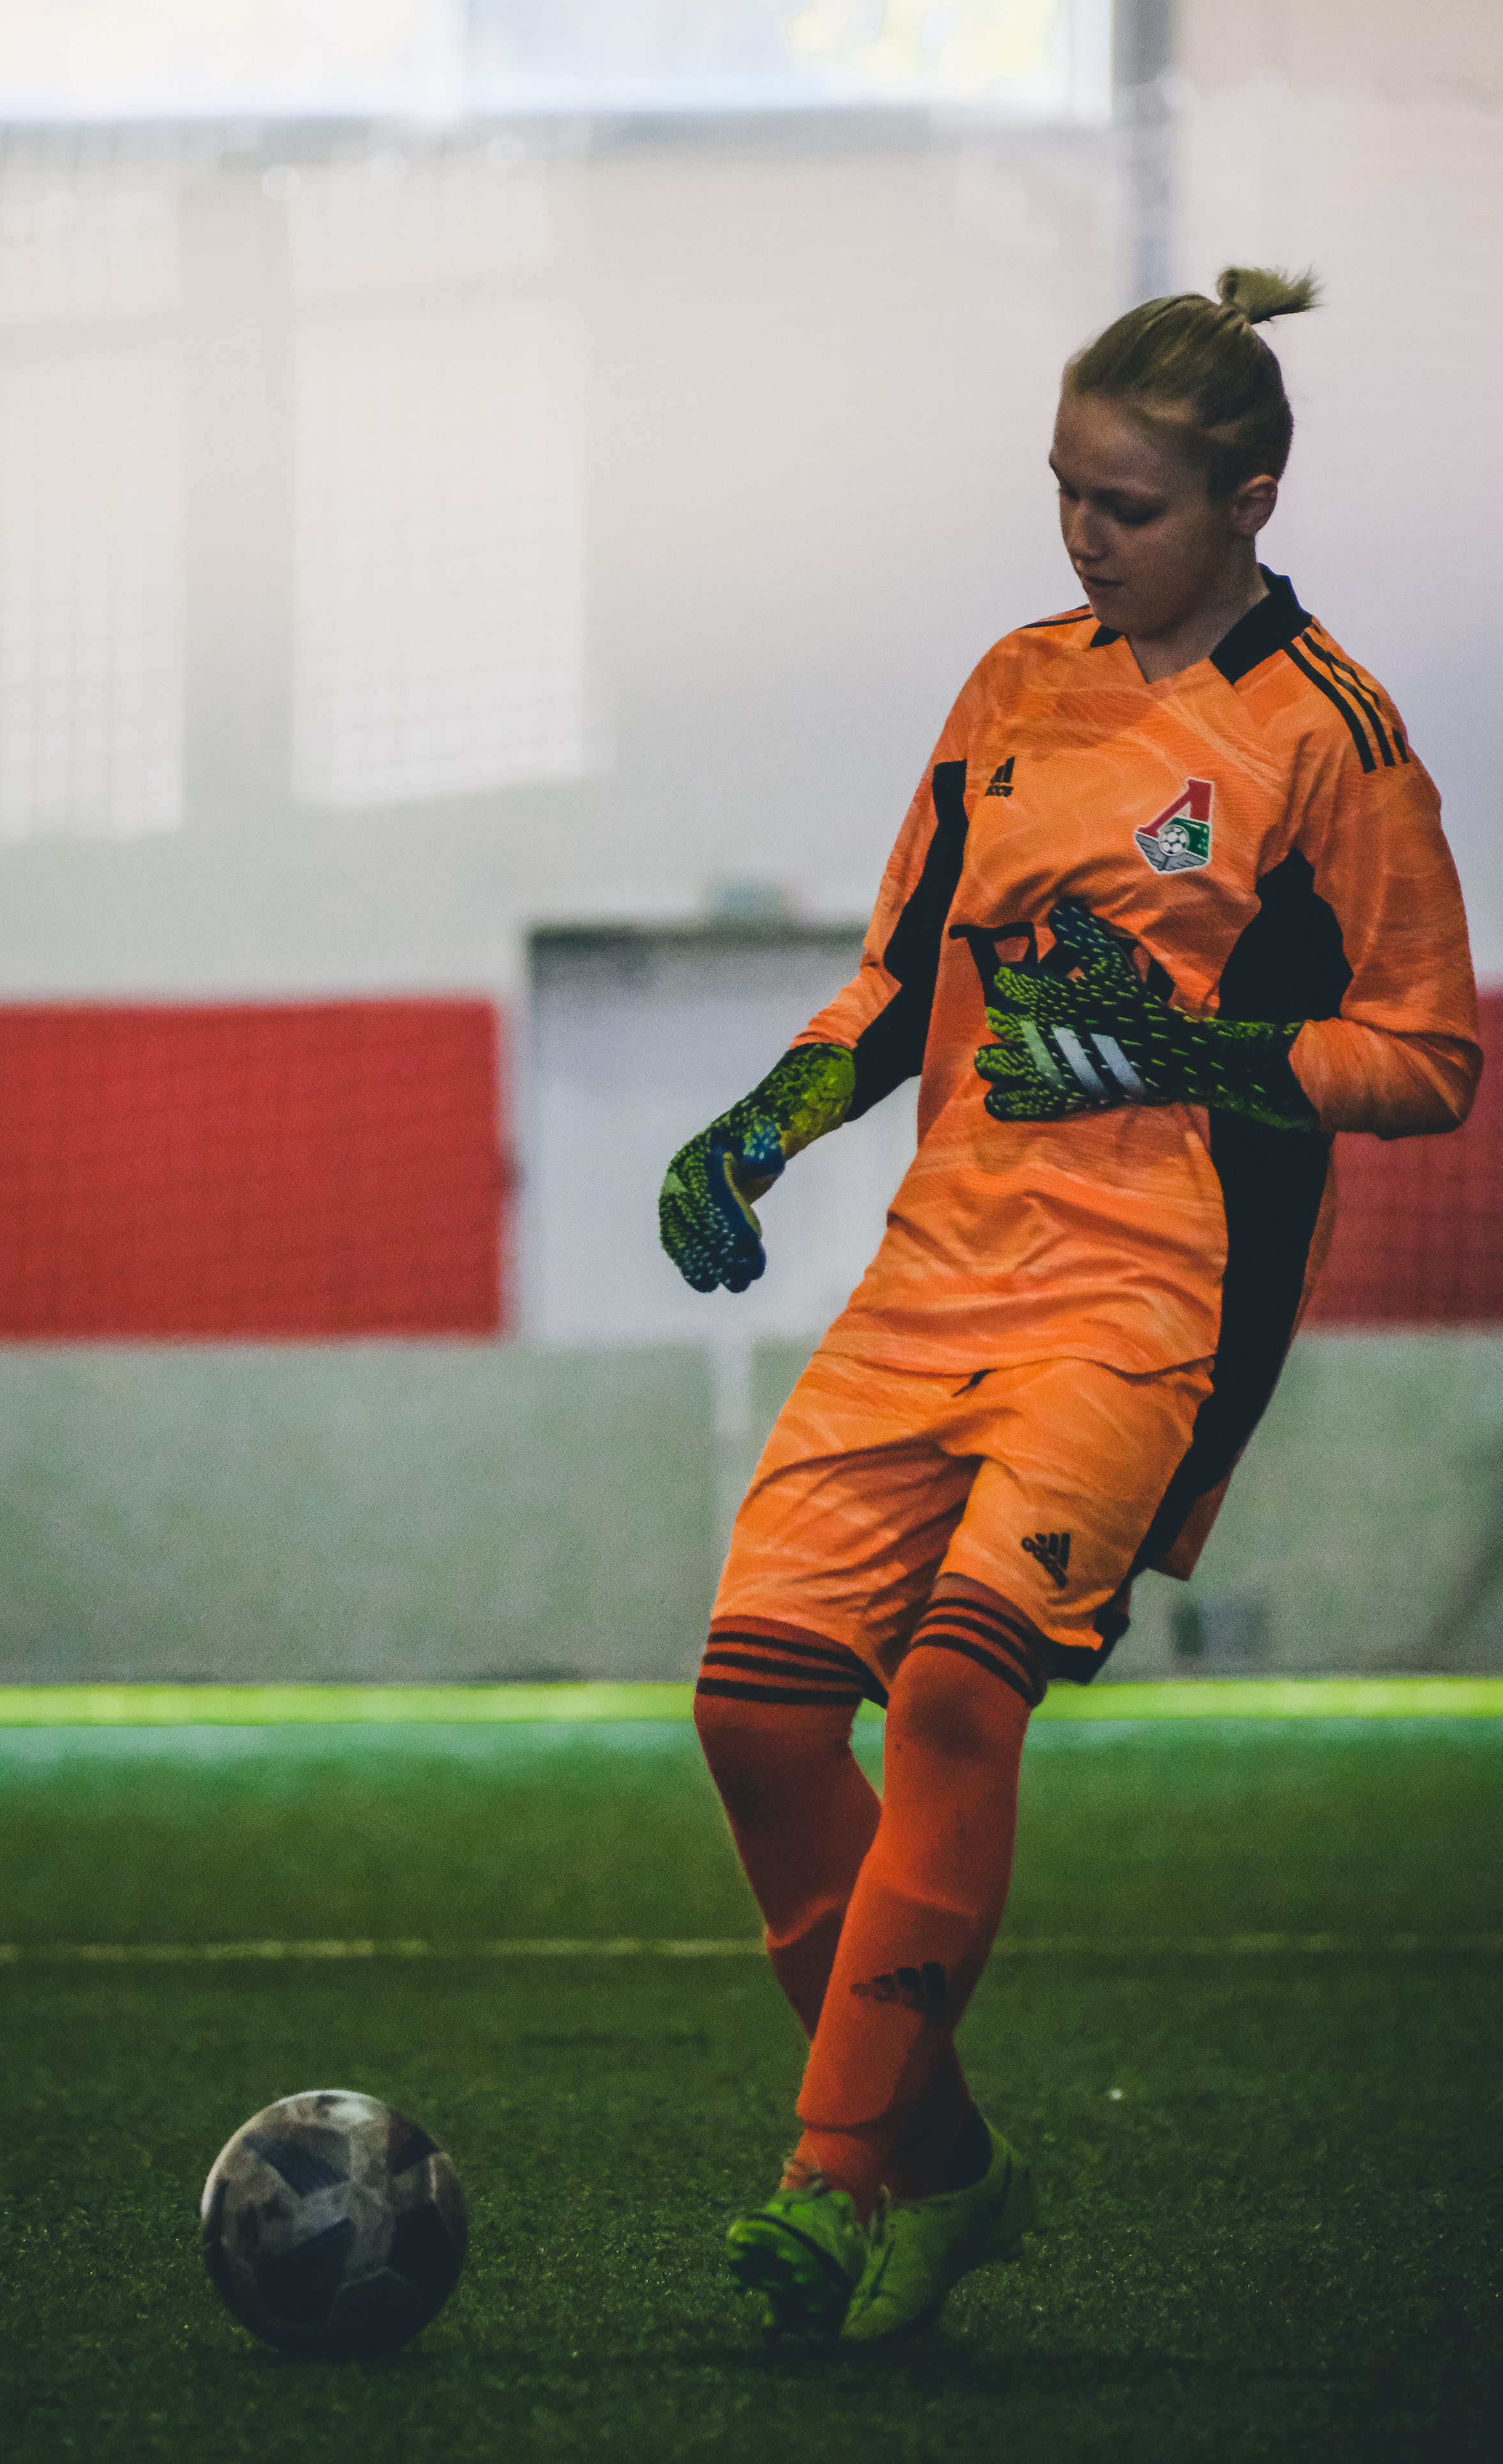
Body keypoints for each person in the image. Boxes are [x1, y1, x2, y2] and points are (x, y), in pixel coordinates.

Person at [658, 266, 1481, 2345]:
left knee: (951, 1695)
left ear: (1249, 501)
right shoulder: (1013, 685)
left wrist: (1194, 1057)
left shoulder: (1338, 739)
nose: (1081, 538)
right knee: (754, 1710)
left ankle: (832, 2185)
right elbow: (894, 975)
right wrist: (755, 1129)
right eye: (1063, 494)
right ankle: (953, 2173)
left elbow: (1432, 1057)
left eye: (1123, 504)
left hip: (1147, 1292)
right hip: (936, 1269)